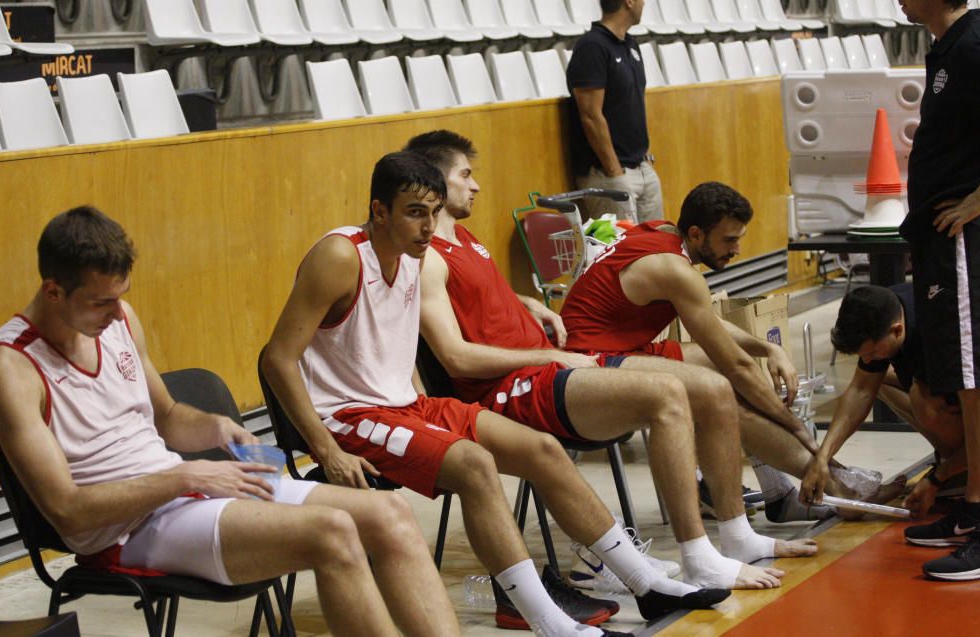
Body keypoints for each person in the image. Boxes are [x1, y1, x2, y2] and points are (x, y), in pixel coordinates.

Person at [262, 151, 729, 635]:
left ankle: (643, 583)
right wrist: (326, 449)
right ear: (379, 211)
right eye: (413, 213)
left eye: (432, 213)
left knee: (543, 451)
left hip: (405, 405)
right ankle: (548, 621)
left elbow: (395, 349)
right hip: (349, 417)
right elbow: (278, 357)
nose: (426, 227)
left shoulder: (414, 257)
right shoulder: (341, 256)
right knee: (475, 465)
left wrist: (425, 402)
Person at [0, 206, 460, 637]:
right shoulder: (10, 368)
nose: (115, 312)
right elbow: (68, 511)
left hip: (183, 492)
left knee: (390, 516)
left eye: (119, 297)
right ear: (53, 291)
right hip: (123, 532)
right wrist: (184, 475)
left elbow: (167, 416)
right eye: (100, 303)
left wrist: (214, 429)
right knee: (332, 532)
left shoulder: (120, 317)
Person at [406, 130, 819, 595]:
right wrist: (547, 352)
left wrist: (526, 302)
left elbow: (479, 300)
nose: (475, 185)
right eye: (465, 175)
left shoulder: (464, 239)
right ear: (434, 183)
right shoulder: (427, 260)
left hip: (547, 369)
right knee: (667, 394)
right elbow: (456, 357)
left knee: (715, 385)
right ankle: (699, 556)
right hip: (513, 387)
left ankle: (738, 535)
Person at [560, 183, 906, 515]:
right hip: (587, 368)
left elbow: (711, 323)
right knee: (724, 397)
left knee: (734, 374)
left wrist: (768, 350)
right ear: (696, 234)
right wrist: (797, 426)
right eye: (729, 240)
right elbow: (737, 366)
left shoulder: (664, 232)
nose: (737, 250)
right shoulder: (673, 269)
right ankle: (836, 486)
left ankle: (782, 492)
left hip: (620, 349)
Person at [892, 0, 980, 580]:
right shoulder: (948, 49)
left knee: (975, 378)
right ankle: (971, 508)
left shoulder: (973, 47)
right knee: (963, 381)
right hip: (939, 240)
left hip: (965, 239)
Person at [801, 284, 965, 523]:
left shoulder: (941, 337)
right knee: (877, 380)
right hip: (948, 388)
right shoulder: (887, 308)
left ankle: (965, 472)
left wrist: (938, 477)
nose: (868, 359)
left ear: (897, 330)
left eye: (873, 352)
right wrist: (822, 458)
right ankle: (956, 462)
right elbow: (860, 389)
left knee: (924, 400)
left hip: (969, 396)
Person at [567, 0, 662, 223]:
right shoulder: (592, 46)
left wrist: (645, 159)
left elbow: (633, 105)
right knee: (621, 255)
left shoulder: (630, 44)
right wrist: (614, 171)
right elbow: (590, 114)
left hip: (641, 166)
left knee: (656, 248)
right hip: (610, 173)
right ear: (628, 0)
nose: (643, 2)